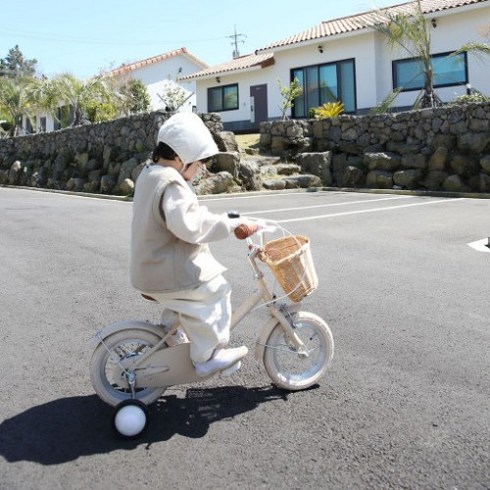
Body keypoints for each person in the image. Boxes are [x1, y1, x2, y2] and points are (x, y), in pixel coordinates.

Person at [130, 112, 257, 378]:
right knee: (217, 290)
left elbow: (187, 216)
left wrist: (230, 217)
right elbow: (190, 226)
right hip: (165, 269)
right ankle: (207, 355)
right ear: (180, 158)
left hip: (151, 265)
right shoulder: (171, 183)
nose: (199, 169)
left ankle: (171, 333)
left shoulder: (150, 173)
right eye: (197, 164)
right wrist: (230, 224)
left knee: (188, 299)